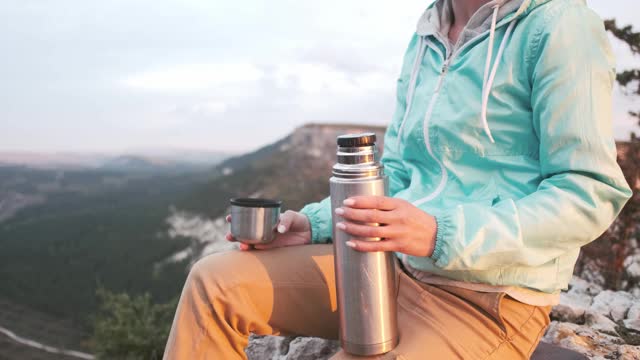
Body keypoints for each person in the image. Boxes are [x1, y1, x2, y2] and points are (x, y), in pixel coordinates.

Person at [164, 0, 632, 358]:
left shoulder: (559, 25)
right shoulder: (430, 27)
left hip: (490, 301)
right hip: (388, 269)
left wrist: (439, 232)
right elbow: (404, 171)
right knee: (214, 281)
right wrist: (315, 225)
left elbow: (587, 191)